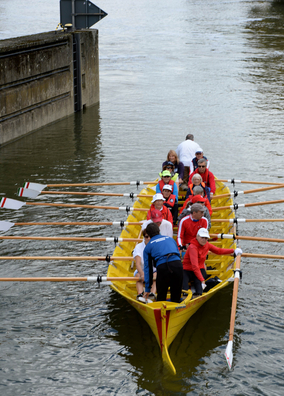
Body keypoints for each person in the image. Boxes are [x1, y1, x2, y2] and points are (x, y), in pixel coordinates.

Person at [182, 228, 242, 296]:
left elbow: (218, 251)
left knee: (198, 281)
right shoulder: (193, 247)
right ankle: (185, 294)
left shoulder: (207, 244)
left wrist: (233, 250)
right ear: (197, 237)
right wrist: (202, 280)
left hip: (200, 268)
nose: (204, 240)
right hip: (187, 269)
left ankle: (198, 294)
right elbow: (194, 266)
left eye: (206, 238)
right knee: (184, 281)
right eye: (202, 237)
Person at [143, 223, 183, 303]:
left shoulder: (148, 247)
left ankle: (161, 310)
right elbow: (178, 254)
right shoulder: (170, 239)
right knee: (176, 296)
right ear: (159, 230)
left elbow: (148, 269)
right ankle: (176, 306)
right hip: (177, 265)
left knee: (161, 296)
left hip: (163, 268)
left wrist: (147, 288)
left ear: (148, 234)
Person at [133, 228, 157, 300]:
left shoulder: (156, 246)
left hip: (153, 270)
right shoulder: (139, 247)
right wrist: (143, 274)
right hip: (142, 269)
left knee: (155, 275)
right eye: (146, 237)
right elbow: (137, 264)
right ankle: (140, 294)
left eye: (150, 236)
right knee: (138, 276)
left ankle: (152, 293)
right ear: (144, 237)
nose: (148, 238)